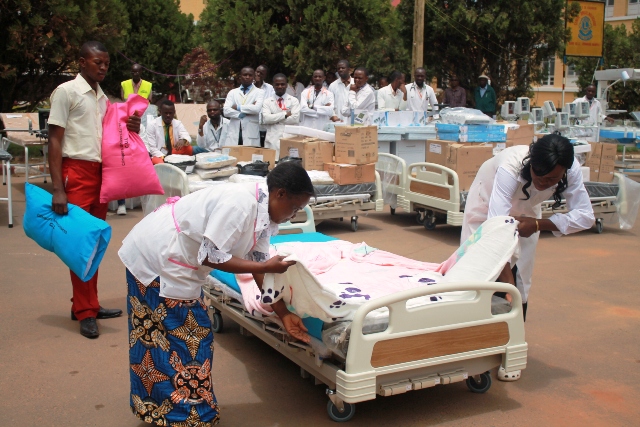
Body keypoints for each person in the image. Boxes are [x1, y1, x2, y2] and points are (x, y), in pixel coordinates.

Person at [119, 161, 314, 426]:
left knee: (160, 339)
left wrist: (283, 313)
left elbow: (258, 262)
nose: (294, 215)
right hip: (158, 258)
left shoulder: (264, 213)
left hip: (169, 259)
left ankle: (166, 412)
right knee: (188, 340)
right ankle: (190, 418)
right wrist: (265, 266)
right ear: (280, 193)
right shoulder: (240, 205)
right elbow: (211, 256)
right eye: (295, 208)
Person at [461, 134, 594, 380]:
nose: (544, 184)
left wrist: (538, 224)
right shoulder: (509, 168)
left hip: (527, 214)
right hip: (486, 205)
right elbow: (495, 232)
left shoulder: (570, 168)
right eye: (539, 177)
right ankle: (476, 350)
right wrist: (507, 283)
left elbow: (586, 217)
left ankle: (511, 352)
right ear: (531, 164)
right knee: (482, 274)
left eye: (552, 180)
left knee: (522, 282)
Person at [47, 41, 141, 338]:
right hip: (75, 172)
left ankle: (87, 303)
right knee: (80, 244)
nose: (103, 67)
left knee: (95, 242)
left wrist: (132, 126)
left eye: (106, 63)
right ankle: (85, 311)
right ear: (81, 62)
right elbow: (54, 140)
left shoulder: (103, 99)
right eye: (97, 62)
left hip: (100, 173)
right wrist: (58, 188)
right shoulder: (66, 92)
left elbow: (113, 135)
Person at [118, 63, 153, 214]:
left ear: (141, 72)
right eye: (133, 72)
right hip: (127, 124)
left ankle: (147, 202)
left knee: (146, 162)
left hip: (142, 123)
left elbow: (149, 104)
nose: (135, 74)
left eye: (138, 72)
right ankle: (121, 204)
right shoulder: (124, 84)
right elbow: (123, 101)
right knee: (121, 165)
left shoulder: (148, 85)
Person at [145, 99, 197, 164]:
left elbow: (187, 137)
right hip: (159, 155)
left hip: (173, 153)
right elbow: (152, 148)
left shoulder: (178, 123)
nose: (168, 115)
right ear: (160, 112)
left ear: (174, 112)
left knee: (189, 148)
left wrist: (183, 140)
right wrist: (165, 158)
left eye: (170, 113)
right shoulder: (152, 125)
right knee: (161, 163)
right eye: (166, 113)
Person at [223, 66, 265, 147]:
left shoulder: (259, 92)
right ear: (240, 77)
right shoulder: (232, 92)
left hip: (250, 133)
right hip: (235, 132)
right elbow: (226, 111)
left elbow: (256, 109)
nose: (247, 77)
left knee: (250, 154)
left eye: (250, 75)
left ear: (254, 77)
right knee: (233, 153)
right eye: (245, 75)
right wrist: (241, 114)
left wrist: (237, 107)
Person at [261, 73, 301, 157]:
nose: (280, 86)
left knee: (290, 163)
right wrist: (285, 114)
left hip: (289, 137)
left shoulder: (294, 101)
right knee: (272, 162)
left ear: (286, 85)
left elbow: (295, 119)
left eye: (282, 84)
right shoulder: (267, 102)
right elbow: (266, 119)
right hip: (272, 138)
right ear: (273, 85)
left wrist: (274, 118)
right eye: (277, 84)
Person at [254, 65, 275, 147]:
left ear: (265, 76)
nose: (258, 74)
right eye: (257, 72)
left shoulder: (269, 88)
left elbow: (273, 104)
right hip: (251, 125)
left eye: (261, 73)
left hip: (265, 126)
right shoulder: (249, 86)